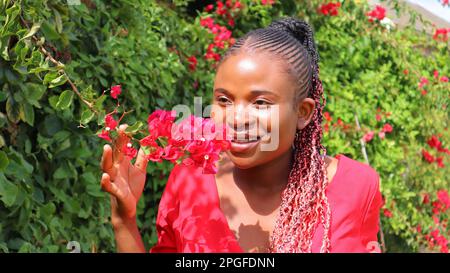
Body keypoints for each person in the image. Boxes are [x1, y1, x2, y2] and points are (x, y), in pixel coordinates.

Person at [99, 17, 382, 253]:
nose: (236, 118)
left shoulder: (355, 188)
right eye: (224, 100)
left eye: (260, 103)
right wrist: (124, 221)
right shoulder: (190, 181)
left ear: (303, 112)